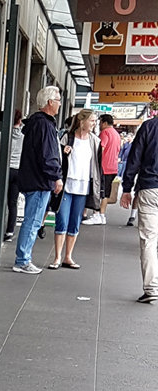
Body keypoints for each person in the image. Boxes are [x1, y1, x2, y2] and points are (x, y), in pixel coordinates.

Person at [13, 86, 62, 275]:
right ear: (50, 102)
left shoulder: (35, 123)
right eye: (57, 100)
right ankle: (23, 260)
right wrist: (56, 176)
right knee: (33, 221)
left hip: (33, 178)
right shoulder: (45, 125)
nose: (59, 104)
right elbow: (48, 155)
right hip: (40, 181)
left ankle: (23, 258)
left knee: (32, 220)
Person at [48, 109, 101, 270]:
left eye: (95, 121)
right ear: (82, 121)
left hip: (84, 185)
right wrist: (64, 154)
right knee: (62, 219)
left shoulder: (95, 141)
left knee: (75, 222)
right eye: (91, 120)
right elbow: (57, 157)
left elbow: (97, 166)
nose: (94, 124)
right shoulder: (67, 137)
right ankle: (57, 257)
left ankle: (68, 256)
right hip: (67, 184)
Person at [121, 113, 158, 304]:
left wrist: (127, 188)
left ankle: (151, 288)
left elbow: (134, 158)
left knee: (149, 240)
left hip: (150, 188)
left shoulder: (149, 127)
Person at [83, 114, 119, 226]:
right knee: (106, 193)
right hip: (113, 167)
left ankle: (97, 214)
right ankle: (102, 215)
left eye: (99, 122)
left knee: (100, 192)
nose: (98, 125)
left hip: (103, 166)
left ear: (104, 122)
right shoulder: (116, 134)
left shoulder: (105, 133)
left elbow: (100, 148)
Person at [4, 109, 23, 241]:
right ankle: (10, 231)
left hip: (6, 169)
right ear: (20, 120)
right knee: (13, 202)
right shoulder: (24, 135)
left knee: (1, 200)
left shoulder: (5, 134)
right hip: (18, 170)